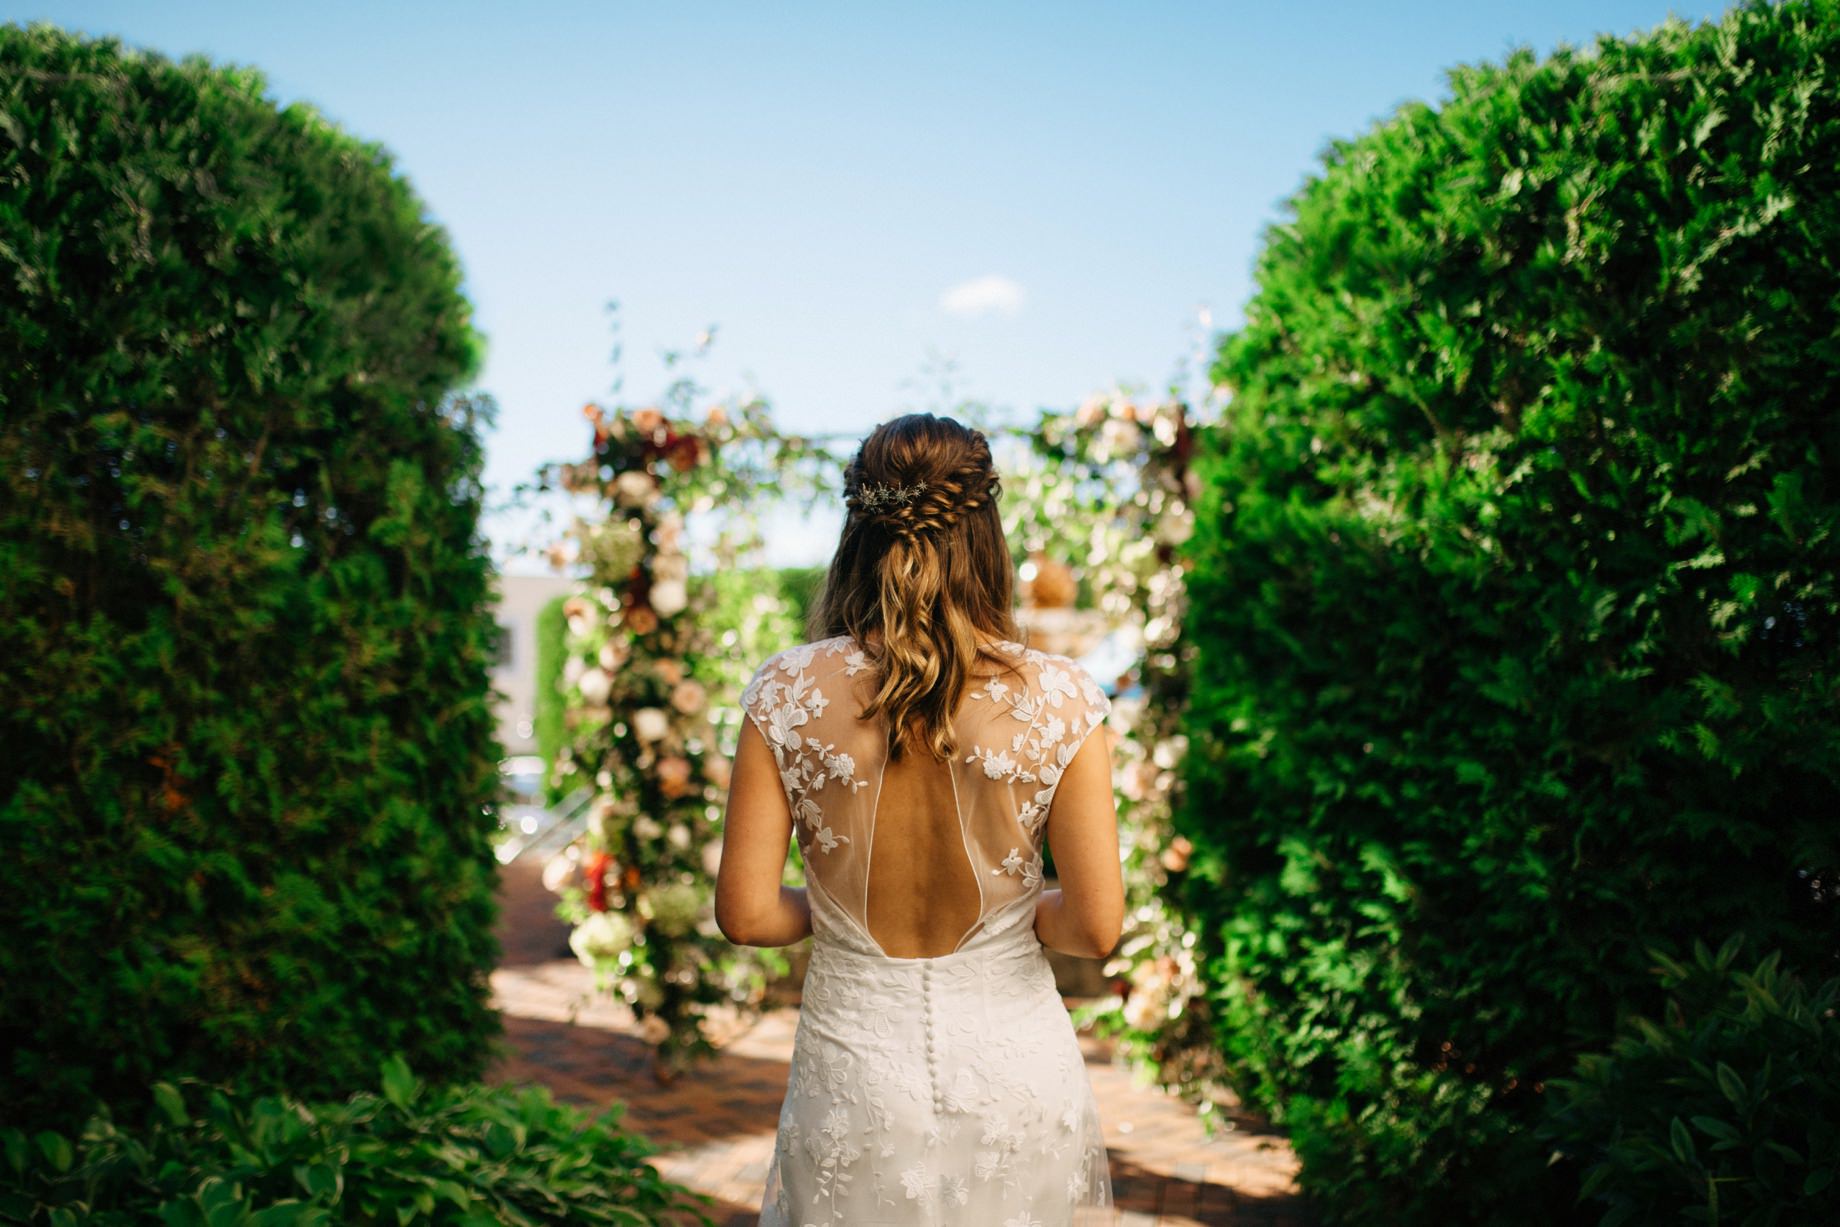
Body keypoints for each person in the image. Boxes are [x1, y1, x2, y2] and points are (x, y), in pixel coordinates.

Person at [716, 412, 1124, 1226]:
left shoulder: (786, 693)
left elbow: (749, 913)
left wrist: (830, 912)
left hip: (855, 1073)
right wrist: (1018, 914)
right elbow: (1095, 927)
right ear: (985, 532)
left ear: (856, 531)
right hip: (1015, 1070)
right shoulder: (1064, 699)